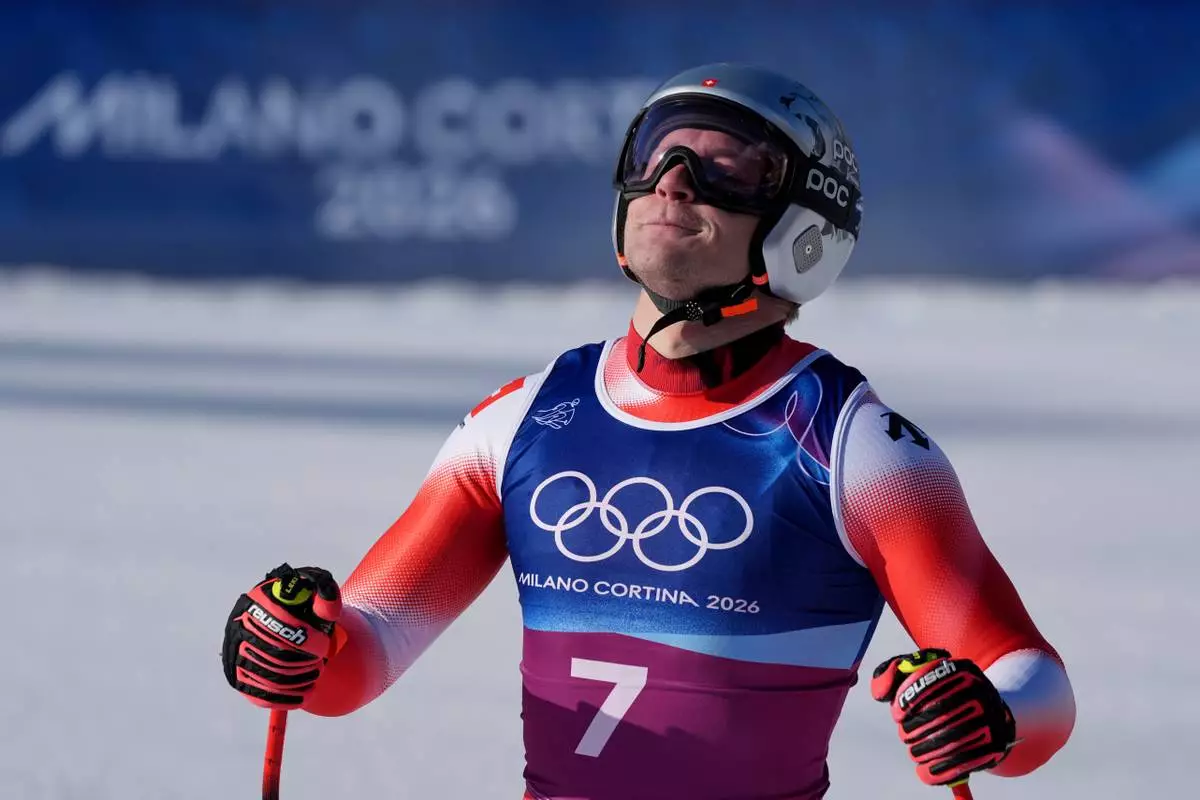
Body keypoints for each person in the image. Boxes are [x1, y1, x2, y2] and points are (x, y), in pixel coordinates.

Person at [222, 63, 1076, 799]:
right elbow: (356, 662)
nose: (672, 181)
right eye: (657, 153)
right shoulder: (520, 420)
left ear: (802, 230)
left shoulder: (853, 446)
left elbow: (1035, 688)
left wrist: (991, 714)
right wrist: (297, 644)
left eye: (727, 168)